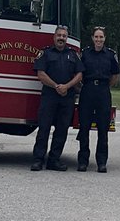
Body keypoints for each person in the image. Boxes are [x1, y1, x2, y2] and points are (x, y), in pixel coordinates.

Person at [31, 25, 83, 172]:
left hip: (67, 98)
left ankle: (54, 160)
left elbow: (80, 74)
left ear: (67, 38)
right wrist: (56, 86)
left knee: (62, 130)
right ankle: (38, 160)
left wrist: (66, 86)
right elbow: (40, 74)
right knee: (44, 128)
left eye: (64, 36)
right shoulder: (46, 53)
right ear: (54, 37)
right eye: (59, 35)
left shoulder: (73, 55)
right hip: (49, 96)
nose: (61, 38)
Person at [76, 26, 120, 173]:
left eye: (101, 37)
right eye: (96, 37)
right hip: (87, 90)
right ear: (92, 38)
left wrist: (104, 86)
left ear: (104, 38)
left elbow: (115, 75)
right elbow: (78, 73)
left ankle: (101, 162)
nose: (99, 39)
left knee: (103, 128)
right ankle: (83, 161)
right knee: (84, 128)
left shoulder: (110, 55)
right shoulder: (85, 54)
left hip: (103, 92)